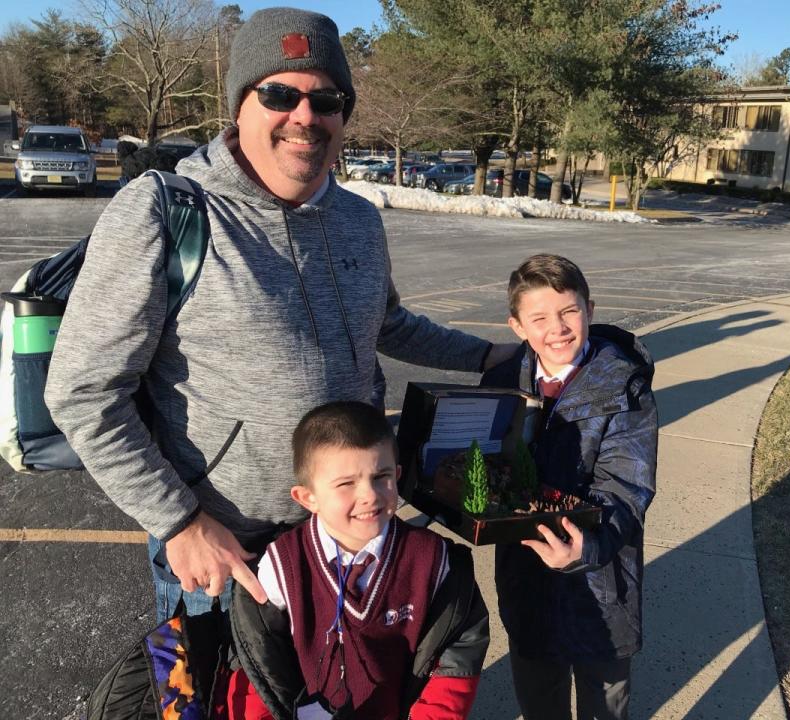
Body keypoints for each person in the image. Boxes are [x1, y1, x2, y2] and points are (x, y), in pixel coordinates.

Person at [44, 7, 514, 620]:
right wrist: (179, 522)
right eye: (279, 94)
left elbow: (388, 323)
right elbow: (83, 393)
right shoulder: (166, 213)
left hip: (343, 533)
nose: (305, 117)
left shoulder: (358, 219)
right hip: (224, 549)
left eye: (327, 100)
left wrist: (488, 356)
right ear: (239, 106)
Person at [225, 401, 489, 720]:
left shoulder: (434, 560)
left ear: (399, 475)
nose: (370, 495)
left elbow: (459, 649)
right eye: (346, 484)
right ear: (308, 497)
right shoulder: (280, 566)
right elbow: (256, 657)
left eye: (381, 476)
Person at [481, 254, 658, 720]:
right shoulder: (501, 382)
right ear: (517, 326)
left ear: (590, 309)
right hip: (525, 574)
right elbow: (485, 465)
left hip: (599, 578)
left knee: (605, 702)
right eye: (538, 318)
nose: (556, 328)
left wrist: (588, 545)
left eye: (568, 312)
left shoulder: (624, 386)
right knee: (540, 696)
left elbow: (626, 484)